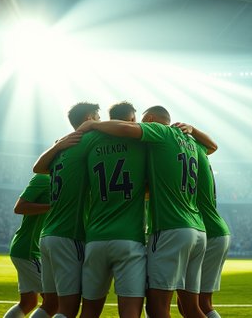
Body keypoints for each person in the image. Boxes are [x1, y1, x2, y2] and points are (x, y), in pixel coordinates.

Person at [77, 105, 217, 318]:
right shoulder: (189, 142)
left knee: (157, 308)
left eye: (141, 120)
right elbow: (212, 147)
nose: (138, 125)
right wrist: (194, 129)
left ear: (150, 119)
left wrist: (93, 124)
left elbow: (126, 130)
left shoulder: (158, 133)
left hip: (169, 228)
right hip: (197, 230)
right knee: (192, 308)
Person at [78, 102, 147, 318]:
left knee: (88, 313)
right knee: (130, 313)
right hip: (129, 239)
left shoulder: (89, 140)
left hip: (95, 238)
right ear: (132, 120)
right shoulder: (141, 142)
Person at [32, 102, 98, 318]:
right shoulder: (87, 141)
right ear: (89, 117)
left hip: (49, 234)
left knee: (49, 305)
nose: (100, 121)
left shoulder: (63, 147)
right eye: (97, 116)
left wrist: (57, 146)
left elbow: (37, 168)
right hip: (70, 235)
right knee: (68, 309)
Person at [4, 174, 57, 318]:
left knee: (28, 302)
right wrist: (52, 207)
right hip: (28, 250)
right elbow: (19, 207)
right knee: (54, 302)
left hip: (28, 248)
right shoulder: (43, 178)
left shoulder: (60, 182)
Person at [189, 143, 230, 318]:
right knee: (197, 305)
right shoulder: (200, 153)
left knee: (199, 305)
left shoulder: (187, 154)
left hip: (208, 231)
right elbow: (212, 145)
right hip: (216, 229)